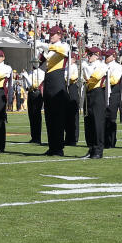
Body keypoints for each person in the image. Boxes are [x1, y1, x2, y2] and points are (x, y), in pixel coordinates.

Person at [40, 27, 70, 156]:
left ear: (59, 35)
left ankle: (58, 147)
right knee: (49, 116)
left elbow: (61, 51)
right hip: (49, 80)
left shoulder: (64, 45)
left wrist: (44, 45)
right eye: (50, 34)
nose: (51, 36)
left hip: (57, 80)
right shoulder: (49, 48)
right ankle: (52, 146)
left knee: (57, 116)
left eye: (53, 34)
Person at [81, 46, 107, 159]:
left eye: (90, 54)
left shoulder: (102, 65)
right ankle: (91, 148)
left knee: (97, 123)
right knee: (89, 122)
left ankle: (98, 150)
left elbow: (93, 78)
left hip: (97, 93)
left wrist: (83, 67)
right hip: (88, 93)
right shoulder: (87, 65)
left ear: (97, 55)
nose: (88, 57)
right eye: (88, 54)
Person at [104, 48, 122, 148]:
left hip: (113, 94)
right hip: (104, 93)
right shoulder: (103, 66)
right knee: (103, 118)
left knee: (111, 118)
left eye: (108, 56)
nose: (106, 58)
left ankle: (111, 142)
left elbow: (114, 80)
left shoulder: (117, 67)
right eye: (105, 56)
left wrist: (100, 81)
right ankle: (104, 141)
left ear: (114, 56)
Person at [23, 62, 44, 143]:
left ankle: (37, 137)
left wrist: (27, 77)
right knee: (31, 115)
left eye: (37, 62)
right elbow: (27, 87)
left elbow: (35, 85)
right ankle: (33, 137)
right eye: (33, 62)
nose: (35, 64)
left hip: (37, 93)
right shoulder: (30, 72)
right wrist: (25, 79)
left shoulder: (41, 73)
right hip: (31, 93)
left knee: (36, 115)